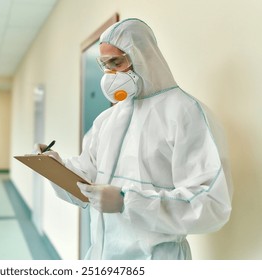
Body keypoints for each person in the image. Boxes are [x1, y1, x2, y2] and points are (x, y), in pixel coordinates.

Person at [35, 18, 232, 260]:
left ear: (142, 56)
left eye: (116, 62)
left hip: (157, 259)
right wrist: (56, 167)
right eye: (105, 65)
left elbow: (210, 202)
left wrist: (127, 202)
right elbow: (87, 179)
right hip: (102, 256)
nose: (110, 74)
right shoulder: (107, 119)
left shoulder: (185, 113)